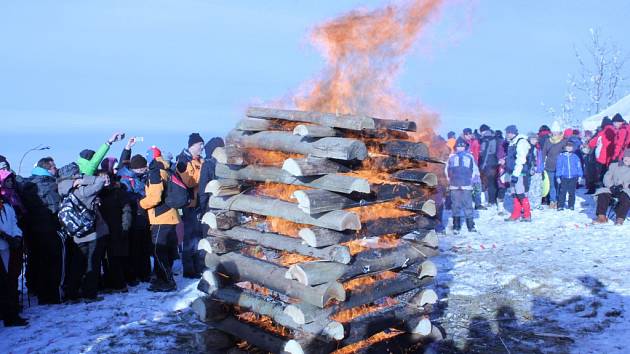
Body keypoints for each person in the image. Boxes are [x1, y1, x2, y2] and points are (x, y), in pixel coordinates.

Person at [58, 163, 109, 302]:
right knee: (92, 264)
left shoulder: (62, 189)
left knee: (76, 265)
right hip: (91, 233)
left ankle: (71, 294)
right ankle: (89, 294)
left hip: (76, 234)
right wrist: (83, 180)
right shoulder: (83, 191)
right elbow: (100, 181)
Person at [18, 157, 63, 304]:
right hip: (48, 229)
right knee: (50, 262)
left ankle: (35, 289)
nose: (56, 169)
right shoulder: (48, 185)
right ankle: (49, 296)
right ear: (47, 169)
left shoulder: (28, 184)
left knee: (36, 260)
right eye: (54, 166)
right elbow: (54, 208)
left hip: (32, 230)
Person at [140, 147, 181, 292]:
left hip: (160, 217)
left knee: (159, 250)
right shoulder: (166, 169)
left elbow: (155, 197)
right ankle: (160, 279)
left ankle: (168, 281)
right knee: (166, 250)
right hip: (170, 215)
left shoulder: (155, 171)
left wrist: (141, 203)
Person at [117, 138, 152, 285]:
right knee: (134, 248)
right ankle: (134, 275)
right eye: (144, 167)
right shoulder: (126, 179)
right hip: (134, 217)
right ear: (138, 168)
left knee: (144, 247)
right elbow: (127, 197)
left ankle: (145, 274)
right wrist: (143, 198)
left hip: (143, 217)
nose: (146, 169)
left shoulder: (139, 176)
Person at [98, 166, 132, 293]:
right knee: (103, 259)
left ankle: (120, 284)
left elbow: (126, 210)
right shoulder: (96, 194)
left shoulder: (118, 192)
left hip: (116, 229)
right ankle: (107, 282)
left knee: (115, 258)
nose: (106, 180)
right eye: (102, 178)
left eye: (107, 177)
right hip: (101, 231)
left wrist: (125, 225)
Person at [176, 133, 205, 278]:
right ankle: (189, 269)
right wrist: (204, 170)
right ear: (192, 145)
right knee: (189, 237)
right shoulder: (182, 161)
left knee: (198, 237)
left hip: (199, 204)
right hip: (189, 205)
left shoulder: (199, 160)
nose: (202, 148)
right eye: (200, 145)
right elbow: (190, 182)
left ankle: (199, 266)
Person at [0, 196, 27, 326]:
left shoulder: (7, 205)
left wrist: (17, 236)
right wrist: (5, 236)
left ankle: (11, 314)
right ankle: (8, 314)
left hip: (8, 248)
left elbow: (14, 223)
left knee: (9, 280)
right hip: (3, 244)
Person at [445, 138, 480, 234]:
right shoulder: (451, 157)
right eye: (458, 146)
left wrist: (473, 181)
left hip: (466, 185)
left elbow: (474, 170)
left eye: (462, 146)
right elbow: (447, 170)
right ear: (456, 147)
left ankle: (470, 225)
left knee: (468, 205)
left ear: (465, 147)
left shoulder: (470, 157)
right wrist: (449, 180)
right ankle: (456, 225)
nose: (460, 148)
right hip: (454, 185)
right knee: (455, 205)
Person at [593, 149, 630, 225]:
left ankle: (620, 218)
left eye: (629, 158)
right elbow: (607, 177)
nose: (627, 159)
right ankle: (601, 216)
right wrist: (611, 186)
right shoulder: (614, 165)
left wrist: (624, 186)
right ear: (623, 157)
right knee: (602, 193)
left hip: (625, 189)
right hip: (612, 187)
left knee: (626, 196)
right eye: (626, 157)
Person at [504, 125, 532, 222]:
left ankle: (527, 214)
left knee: (520, 194)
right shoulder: (512, 142)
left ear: (513, 133)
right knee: (514, 194)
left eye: (508, 133)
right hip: (512, 172)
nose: (507, 135)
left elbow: (521, 159)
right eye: (507, 133)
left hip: (520, 173)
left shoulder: (521, 142)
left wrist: (516, 174)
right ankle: (516, 213)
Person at [478, 124, 504, 209]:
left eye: (481, 131)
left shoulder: (486, 139)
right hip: (496, 162)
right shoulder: (495, 137)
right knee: (495, 181)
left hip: (489, 163)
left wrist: (483, 164)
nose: (480, 133)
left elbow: (485, 153)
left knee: (490, 182)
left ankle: (491, 201)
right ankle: (496, 199)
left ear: (483, 131)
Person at [542, 121, 567, 209]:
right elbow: (543, 152)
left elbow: (568, 150)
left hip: (561, 167)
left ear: (559, 132)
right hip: (549, 166)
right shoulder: (547, 141)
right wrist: (541, 163)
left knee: (560, 185)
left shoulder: (564, 140)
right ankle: (553, 201)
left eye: (556, 131)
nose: (555, 133)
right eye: (553, 132)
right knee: (552, 185)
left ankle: (560, 200)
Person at [555, 141, 583, 211]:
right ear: (565, 147)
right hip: (564, 177)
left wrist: (580, 176)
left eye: (570, 146)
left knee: (572, 192)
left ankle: (571, 205)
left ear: (572, 148)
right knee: (562, 192)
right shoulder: (561, 156)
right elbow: (559, 167)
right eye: (567, 146)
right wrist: (558, 176)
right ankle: (560, 205)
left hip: (573, 177)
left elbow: (579, 166)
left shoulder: (575, 157)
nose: (569, 148)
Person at [588, 117, 616, 183]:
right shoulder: (616, 131)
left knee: (603, 175)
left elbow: (592, 144)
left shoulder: (602, 133)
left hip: (602, 158)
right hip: (614, 157)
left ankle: (603, 187)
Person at [526, 133, 545, 210]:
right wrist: (530, 168)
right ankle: (530, 204)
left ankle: (537, 204)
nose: (534, 140)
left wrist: (542, 169)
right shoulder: (528, 148)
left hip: (539, 170)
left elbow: (541, 159)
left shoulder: (539, 147)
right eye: (532, 139)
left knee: (538, 188)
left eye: (535, 139)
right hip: (531, 170)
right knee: (531, 188)